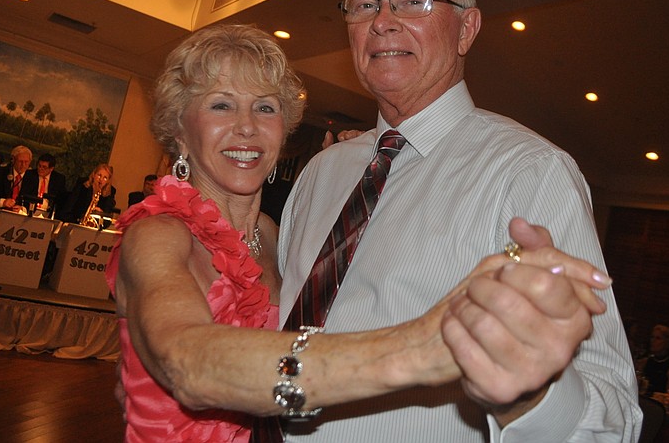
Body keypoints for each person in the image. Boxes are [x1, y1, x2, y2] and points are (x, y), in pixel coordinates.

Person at [104, 23, 613, 442]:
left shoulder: (273, 231)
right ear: (177, 128)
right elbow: (186, 363)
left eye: (265, 107)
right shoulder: (158, 232)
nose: (247, 127)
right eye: (220, 105)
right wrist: (422, 346)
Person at [277, 0, 641, 441]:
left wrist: (529, 392)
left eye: (412, 1)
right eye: (364, 5)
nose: (382, 21)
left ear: (467, 28)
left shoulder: (530, 174)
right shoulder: (322, 173)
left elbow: (614, 417)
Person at [0, 145, 32, 217]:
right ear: (13, 160)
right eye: (20, 161)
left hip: (19, 219)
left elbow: (32, 203)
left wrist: (22, 209)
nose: (23, 165)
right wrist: (2, 202)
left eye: (26, 162)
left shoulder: (32, 178)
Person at [639, 324, 669, 395]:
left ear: (668, 343)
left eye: (658, 338)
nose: (653, 341)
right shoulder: (644, 362)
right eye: (652, 337)